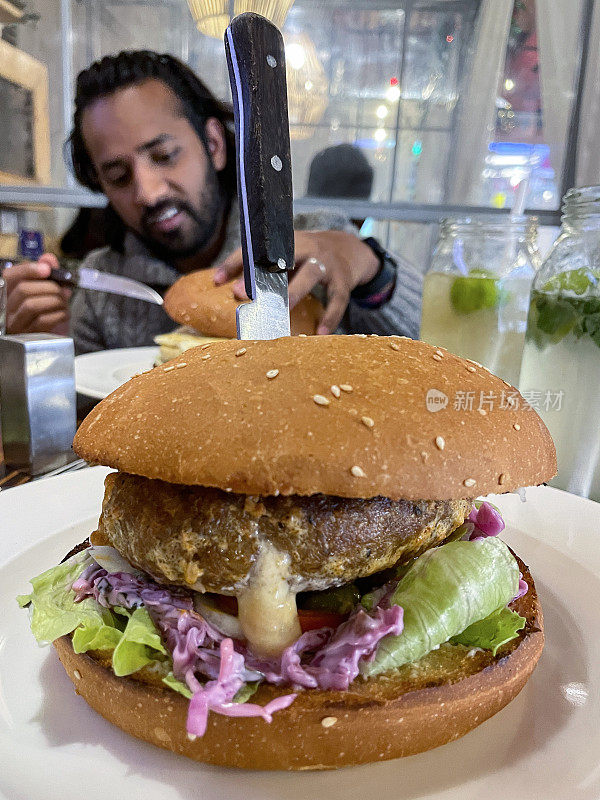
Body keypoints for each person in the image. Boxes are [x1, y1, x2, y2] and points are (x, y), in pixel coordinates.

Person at [5, 51, 422, 352]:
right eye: (118, 176)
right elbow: (88, 433)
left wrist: (373, 272)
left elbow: (431, 353)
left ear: (214, 144)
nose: (148, 192)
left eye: (165, 156)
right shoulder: (100, 286)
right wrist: (47, 351)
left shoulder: (307, 237)